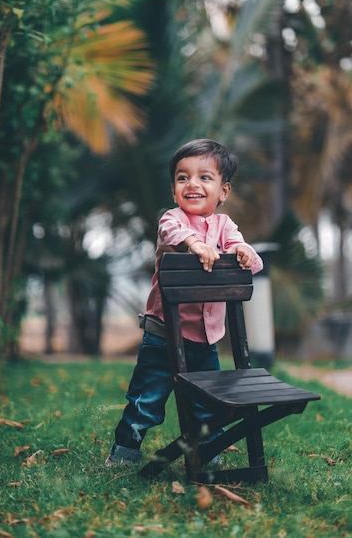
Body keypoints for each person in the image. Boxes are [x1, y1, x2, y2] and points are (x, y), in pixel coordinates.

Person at [105, 138, 263, 466]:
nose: (192, 184)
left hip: (206, 340)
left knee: (207, 402)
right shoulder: (171, 219)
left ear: (223, 191)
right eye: (182, 177)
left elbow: (251, 262)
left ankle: (208, 453)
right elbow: (172, 234)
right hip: (163, 335)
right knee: (146, 399)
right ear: (174, 189)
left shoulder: (225, 226)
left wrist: (245, 251)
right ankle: (124, 452)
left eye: (205, 177)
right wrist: (194, 244)